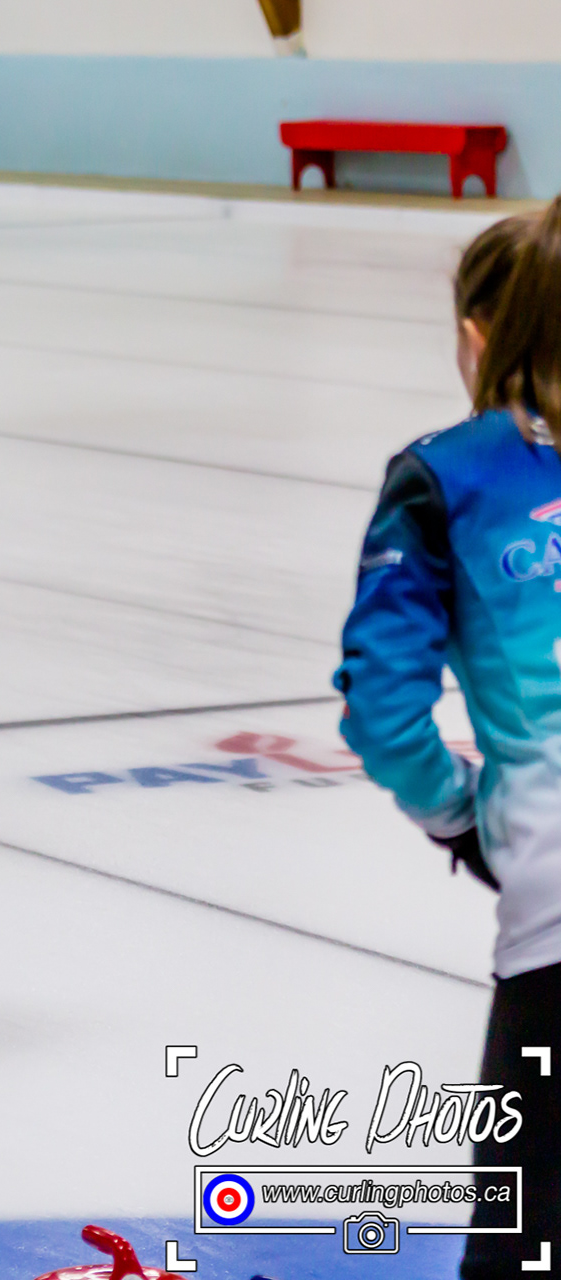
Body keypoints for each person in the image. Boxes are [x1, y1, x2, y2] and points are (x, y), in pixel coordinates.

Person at [335, 204, 556, 1280]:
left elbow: (383, 709)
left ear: (480, 333)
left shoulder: (447, 476)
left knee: (526, 1239)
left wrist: (466, 819)